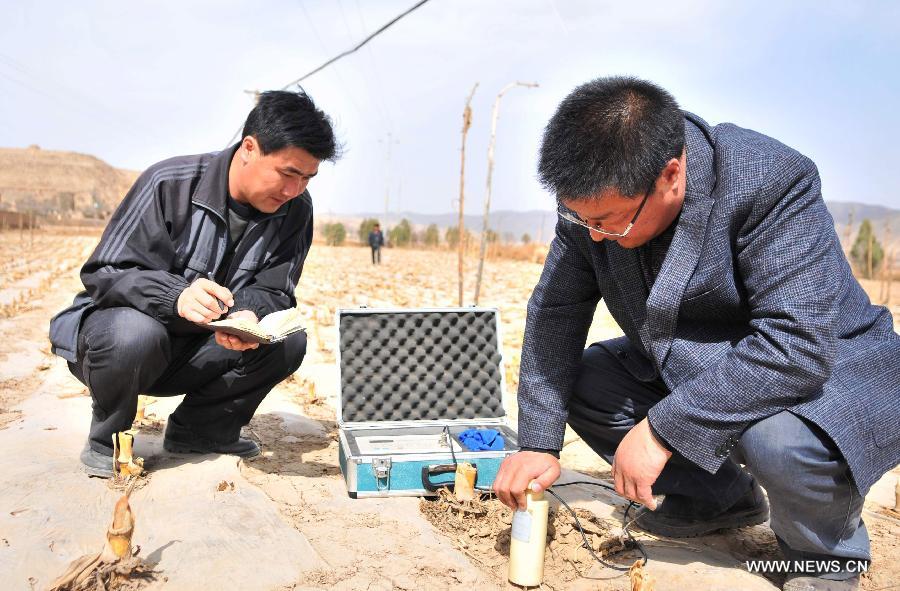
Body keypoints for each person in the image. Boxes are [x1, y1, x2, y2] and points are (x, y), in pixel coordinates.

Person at [492, 76, 899, 591]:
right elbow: (557, 310)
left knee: (778, 439)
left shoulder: (769, 180)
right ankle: (720, 498)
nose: (594, 235)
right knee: (585, 380)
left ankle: (825, 557)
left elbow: (796, 345)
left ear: (671, 174)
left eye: (610, 223)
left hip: (830, 367)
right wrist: (538, 444)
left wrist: (664, 427)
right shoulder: (593, 206)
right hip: (696, 359)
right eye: (582, 220)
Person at [49, 90, 339, 478]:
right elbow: (104, 271)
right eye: (288, 173)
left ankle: (201, 430)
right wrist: (176, 296)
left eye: (307, 178)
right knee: (135, 332)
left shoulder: (296, 211)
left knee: (288, 340)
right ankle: (109, 436)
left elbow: (276, 290)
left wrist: (249, 314)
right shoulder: (169, 183)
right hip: (123, 349)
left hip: (204, 352)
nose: (294, 190)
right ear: (250, 148)